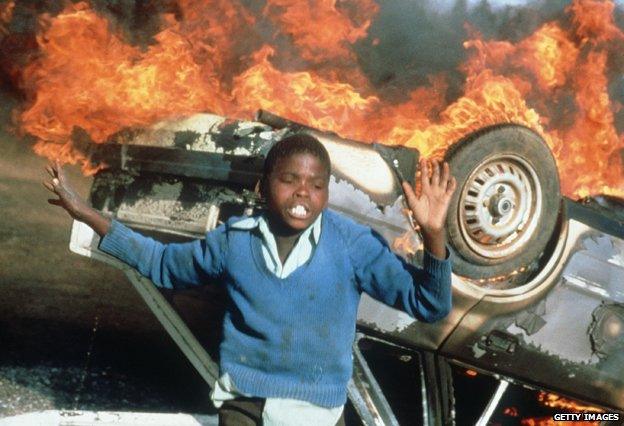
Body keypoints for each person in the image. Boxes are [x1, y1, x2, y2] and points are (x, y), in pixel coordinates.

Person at [44, 133, 457, 426]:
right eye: (289, 179)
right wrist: (89, 215)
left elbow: (430, 304)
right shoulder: (234, 241)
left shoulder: (352, 243)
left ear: (327, 193)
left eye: (316, 185)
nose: (303, 194)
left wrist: (435, 234)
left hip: (316, 413)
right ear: (264, 186)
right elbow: (163, 263)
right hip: (242, 408)